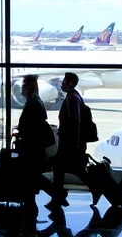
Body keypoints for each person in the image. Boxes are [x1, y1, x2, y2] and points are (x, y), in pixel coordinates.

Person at [14, 75, 67, 215]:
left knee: (33, 175)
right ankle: (56, 195)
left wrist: (21, 132)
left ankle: (57, 194)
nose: (22, 91)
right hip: (34, 146)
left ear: (29, 88)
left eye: (24, 87)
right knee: (33, 176)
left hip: (33, 148)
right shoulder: (34, 102)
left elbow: (33, 127)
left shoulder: (34, 104)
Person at [54, 72, 94, 207]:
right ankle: (58, 197)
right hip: (70, 140)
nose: (61, 84)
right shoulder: (74, 96)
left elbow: (76, 121)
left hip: (69, 141)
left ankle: (58, 197)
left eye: (64, 81)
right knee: (70, 168)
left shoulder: (72, 98)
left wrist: (75, 142)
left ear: (70, 82)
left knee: (64, 168)